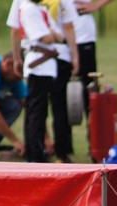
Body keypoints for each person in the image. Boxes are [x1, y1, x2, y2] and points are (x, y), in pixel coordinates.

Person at [9, 0, 67, 162]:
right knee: (36, 111)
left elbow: (60, 37)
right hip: (38, 64)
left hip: (46, 65)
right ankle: (35, 152)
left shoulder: (41, 9)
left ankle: (37, 148)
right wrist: (51, 34)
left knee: (39, 110)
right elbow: (47, 38)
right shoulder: (28, 9)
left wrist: (51, 34)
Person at [41, 0, 81, 163]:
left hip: (36, 57)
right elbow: (69, 27)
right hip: (60, 55)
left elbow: (16, 28)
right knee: (59, 107)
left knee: (37, 105)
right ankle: (61, 152)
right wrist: (75, 55)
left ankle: (37, 149)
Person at [73, 1, 117, 144]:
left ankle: (94, 138)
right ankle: (63, 146)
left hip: (83, 36)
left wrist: (95, 5)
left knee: (89, 89)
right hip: (59, 39)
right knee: (61, 95)